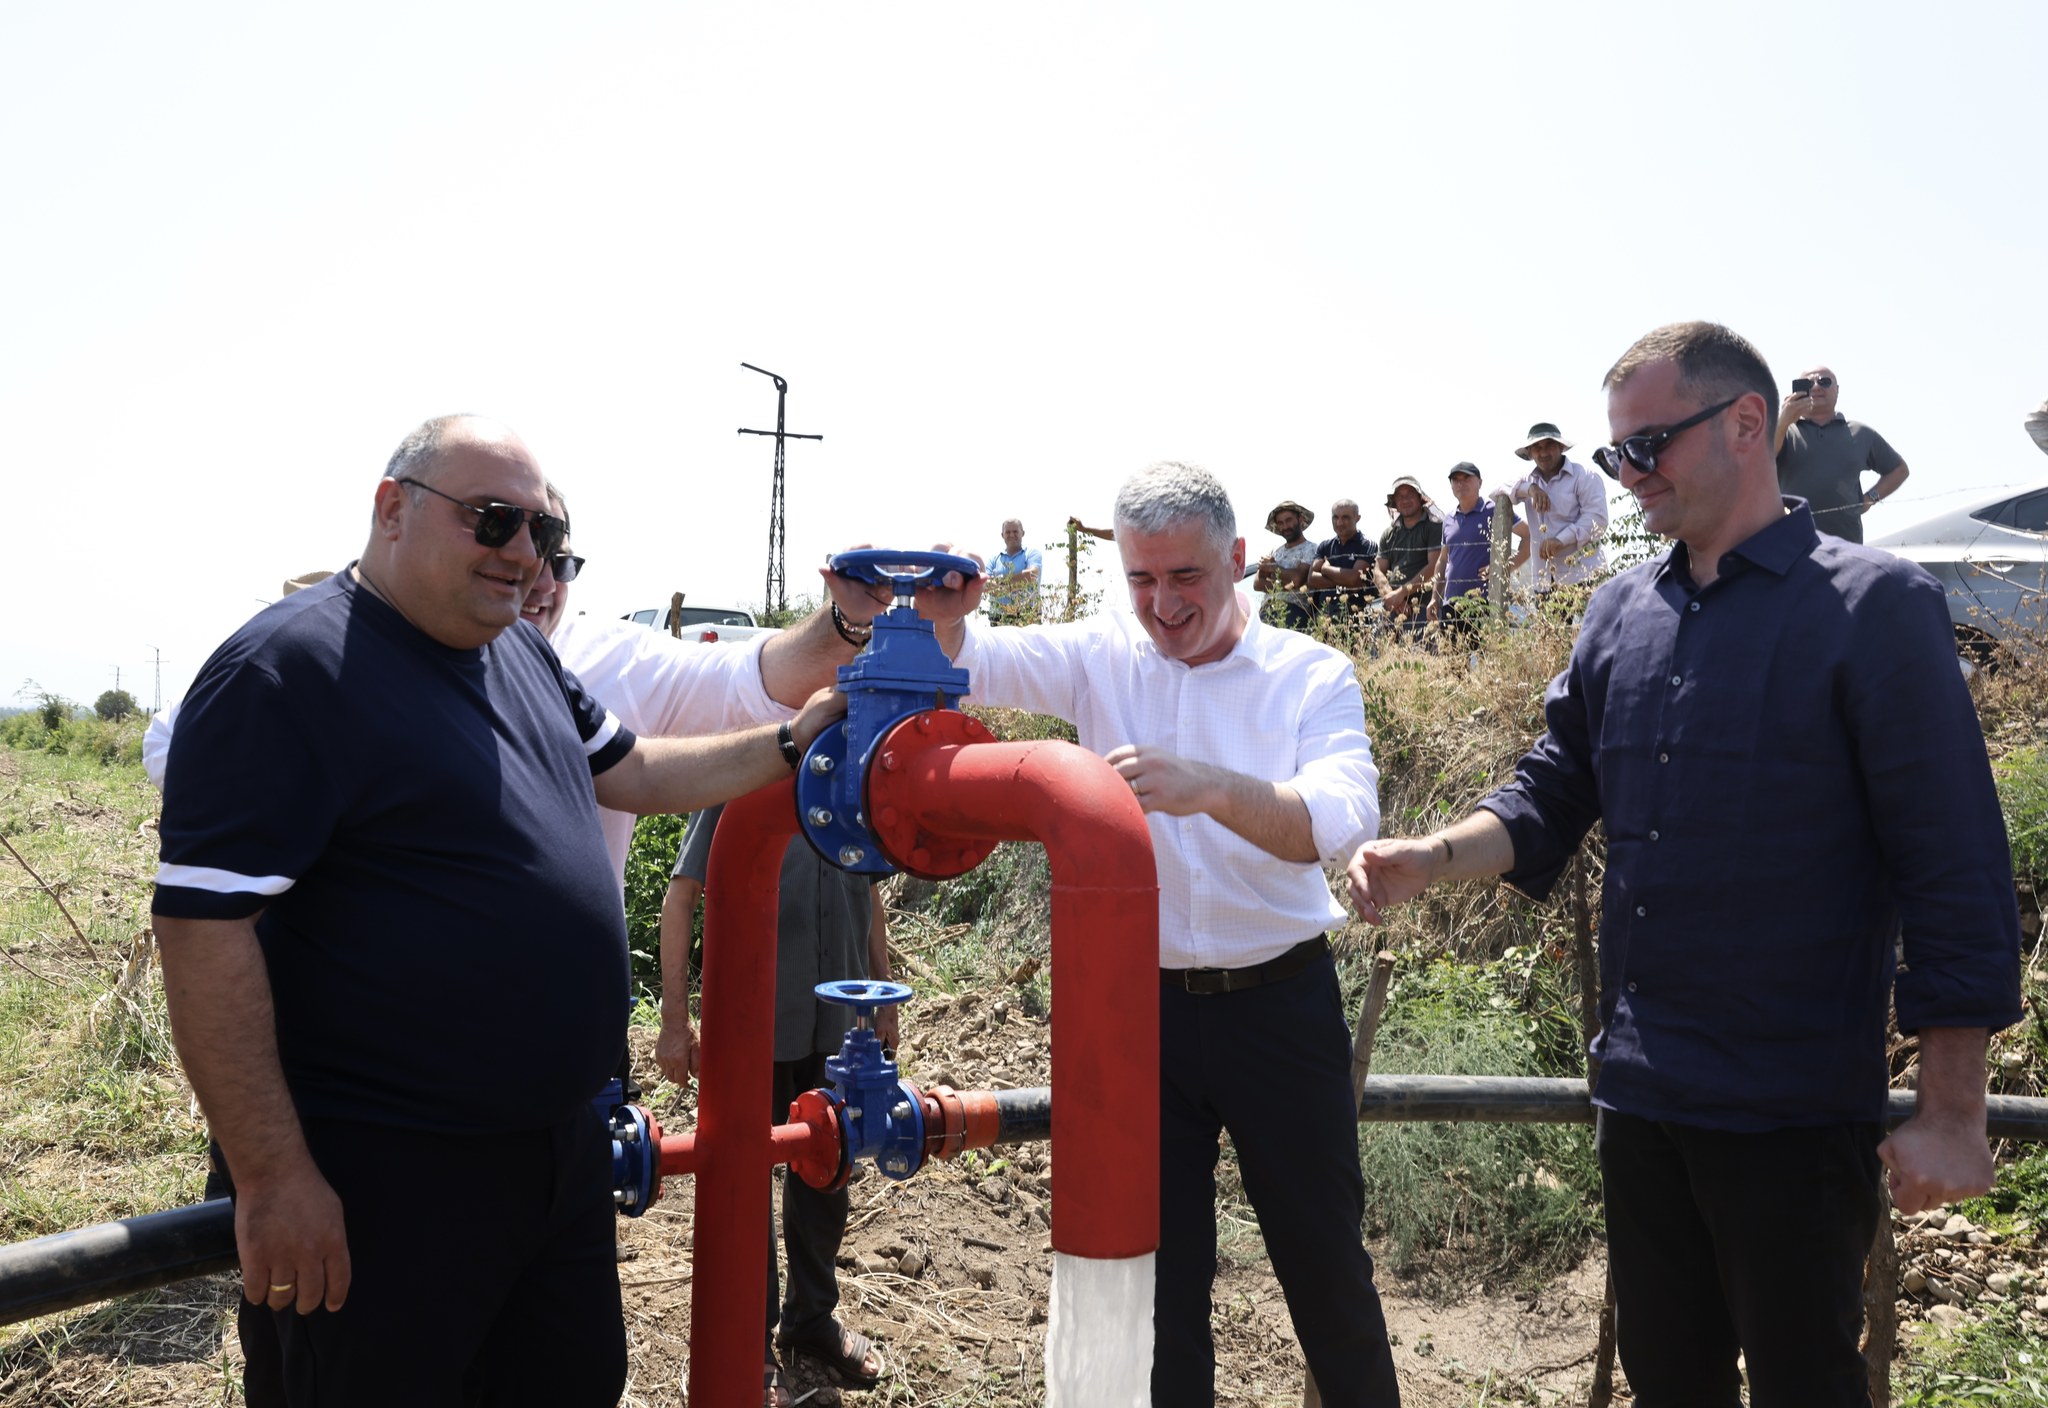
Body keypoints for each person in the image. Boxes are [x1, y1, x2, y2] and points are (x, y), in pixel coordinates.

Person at [1349, 323, 2022, 1408]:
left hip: (1792, 1106)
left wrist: (1951, 1108)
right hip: (1641, 1093)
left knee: (1806, 1386)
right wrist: (1431, 856)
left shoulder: (1873, 608)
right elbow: (1550, 790)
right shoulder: (1621, 610)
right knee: (1668, 1382)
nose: (1628, 473)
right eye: (1615, 451)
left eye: (1647, 444)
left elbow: (1951, 861)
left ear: (1747, 423)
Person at [150, 414, 847, 1408]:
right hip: (383, 1176)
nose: (523, 553)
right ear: (391, 509)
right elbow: (201, 930)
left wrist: (787, 743)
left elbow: (635, 771)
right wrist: (270, 1177)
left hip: (554, 1157)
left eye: (543, 534)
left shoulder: (519, 654)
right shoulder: (286, 673)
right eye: (491, 520)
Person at [915, 462, 1398, 1406]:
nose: (1162, 604)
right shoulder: (1100, 654)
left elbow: (1339, 824)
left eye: (1185, 577)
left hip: (1280, 1010)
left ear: (1239, 558)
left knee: (1326, 1269)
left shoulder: (1310, 673)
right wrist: (944, 606)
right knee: (1160, 1288)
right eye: (1141, 579)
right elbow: (969, 657)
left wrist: (1207, 786)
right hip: (1144, 1020)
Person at [659, 805, 893, 1408]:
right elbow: (682, 894)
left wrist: (884, 993)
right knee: (744, 1182)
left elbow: (868, 892)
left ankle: (810, 1319)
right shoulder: (741, 781)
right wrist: (674, 1020)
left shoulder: (850, 786)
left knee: (830, 1170)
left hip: (838, 1025)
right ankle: (750, 1341)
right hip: (753, 1022)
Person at [1772, 365, 1909, 543]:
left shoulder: (1860, 433)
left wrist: (1870, 498)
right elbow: (1764, 458)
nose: (1816, 387)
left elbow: (1899, 470)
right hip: (1791, 545)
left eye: (1824, 381)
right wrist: (1784, 420)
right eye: (1808, 383)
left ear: (1837, 390)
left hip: (1846, 544)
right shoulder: (1785, 432)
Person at [1428, 462, 1528, 638]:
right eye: (1456, 480)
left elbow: (1528, 536)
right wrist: (1435, 598)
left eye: (1467, 478)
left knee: (1486, 654)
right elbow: (1443, 560)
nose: (1461, 483)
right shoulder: (1449, 519)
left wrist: (1505, 567)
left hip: (1485, 603)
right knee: (1453, 656)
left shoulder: (1495, 510)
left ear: (1480, 482)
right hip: (1451, 604)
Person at [1510, 422, 1608, 591]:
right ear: (1530, 453)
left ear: (1561, 447)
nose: (1543, 453)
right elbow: (1498, 490)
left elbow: (1597, 519)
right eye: (1537, 447)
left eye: (1549, 445)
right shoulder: (1527, 481)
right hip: (1543, 583)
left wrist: (1561, 540)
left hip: (1584, 576)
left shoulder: (1584, 476)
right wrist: (1531, 489)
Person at [1377, 476, 1443, 629]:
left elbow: (1434, 566)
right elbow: (1378, 570)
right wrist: (1392, 597)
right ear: (1394, 503)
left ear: (1420, 498)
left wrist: (1401, 593)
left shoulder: (1434, 527)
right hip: (1392, 609)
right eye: (1400, 496)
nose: (1405, 500)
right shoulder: (1389, 534)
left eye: (1410, 494)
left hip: (1424, 607)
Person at [1306, 497, 1378, 622]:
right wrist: (1345, 581)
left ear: (1357, 518)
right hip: (1325, 618)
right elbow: (1311, 579)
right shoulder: (1325, 546)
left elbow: (1354, 578)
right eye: (1335, 517)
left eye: (1345, 517)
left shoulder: (1367, 545)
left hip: (1357, 618)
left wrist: (1326, 569)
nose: (1339, 523)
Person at [1253, 498, 1319, 630]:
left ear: (1300, 520)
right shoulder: (1275, 552)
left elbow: (1297, 578)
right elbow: (1257, 583)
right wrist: (1288, 583)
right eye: (1280, 523)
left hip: (1294, 612)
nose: (1285, 526)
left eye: (1288, 520)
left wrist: (1273, 568)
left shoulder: (1312, 549)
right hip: (1267, 611)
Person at [986, 518, 1043, 624]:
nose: (1011, 535)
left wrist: (1000, 584)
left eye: (1015, 531)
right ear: (1002, 535)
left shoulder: (1032, 554)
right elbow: (985, 583)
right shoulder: (994, 559)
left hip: (1027, 615)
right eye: (1007, 532)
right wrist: (1016, 582)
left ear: (1023, 533)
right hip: (998, 618)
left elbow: (1031, 575)